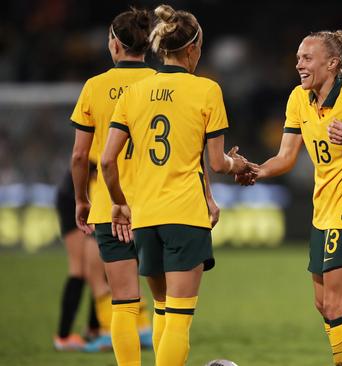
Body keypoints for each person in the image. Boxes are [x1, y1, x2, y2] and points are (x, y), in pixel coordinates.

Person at [237, 30, 342, 366]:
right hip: (322, 214)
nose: (299, 63)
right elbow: (285, 157)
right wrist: (257, 170)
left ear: (332, 63)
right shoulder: (298, 99)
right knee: (322, 305)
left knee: (337, 306)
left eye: (307, 58)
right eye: (298, 57)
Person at [101, 5, 253, 365]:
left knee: (161, 308)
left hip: (145, 216)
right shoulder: (206, 90)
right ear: (193, 48)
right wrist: (239, 164)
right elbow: (216, 162)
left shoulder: (135, 92)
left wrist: (119, 202)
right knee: (179, 321)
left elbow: (107, 160)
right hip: (185, 215)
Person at [70, 7, 157, 363]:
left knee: (124, 302)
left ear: (115, 44)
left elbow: (79, 155)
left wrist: (81, 200)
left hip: (110, 208)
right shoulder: (162, 82)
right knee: (168, 304)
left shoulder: (95, 86)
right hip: (158, 206)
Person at [53, 165, 106, 351]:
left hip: (92, 197)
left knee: (98, 267)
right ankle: (63, 336)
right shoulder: (97, 138)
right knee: (80, 269)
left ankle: (94, 329)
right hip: (75, 198)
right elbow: (80, 160)